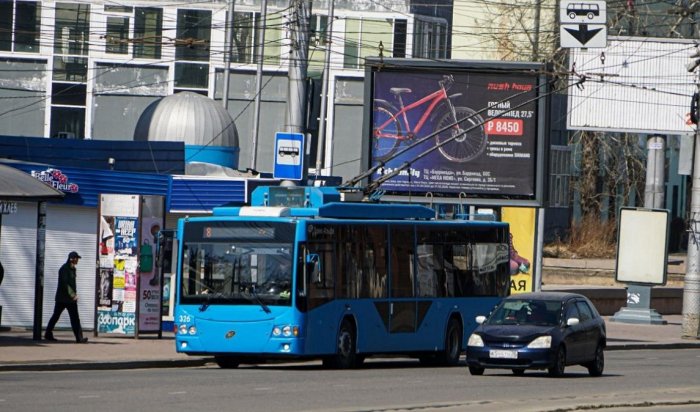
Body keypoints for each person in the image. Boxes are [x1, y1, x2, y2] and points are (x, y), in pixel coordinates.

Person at [44, 251, 88, 343]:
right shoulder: (64, 269)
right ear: (72, 259)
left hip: (69, 299)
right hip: (63, 299)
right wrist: (73, 295)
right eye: (76, 258)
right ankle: (48, 334)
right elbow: (65, 284)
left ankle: (79, 338)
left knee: (75, 318)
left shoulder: (72, 269)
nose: (77, 260)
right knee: (56, 316)